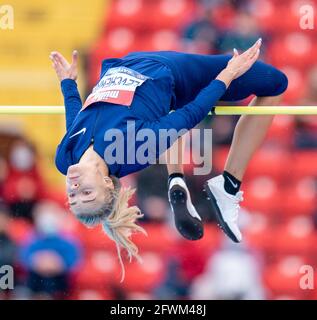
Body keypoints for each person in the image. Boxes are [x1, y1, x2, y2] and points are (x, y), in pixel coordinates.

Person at [50, 39, 288, 280]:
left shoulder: (66, 159)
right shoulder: (131, 149)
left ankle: (177, 177)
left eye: (73, 196)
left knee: (164, 115)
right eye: (87, 194)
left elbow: (75, 122)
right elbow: (191, 115)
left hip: (125, 65)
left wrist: (68, 83)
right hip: (174, 72)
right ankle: (228, 184)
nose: (75, 188)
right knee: (276, 83)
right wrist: (227, 74)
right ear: (107, 183)